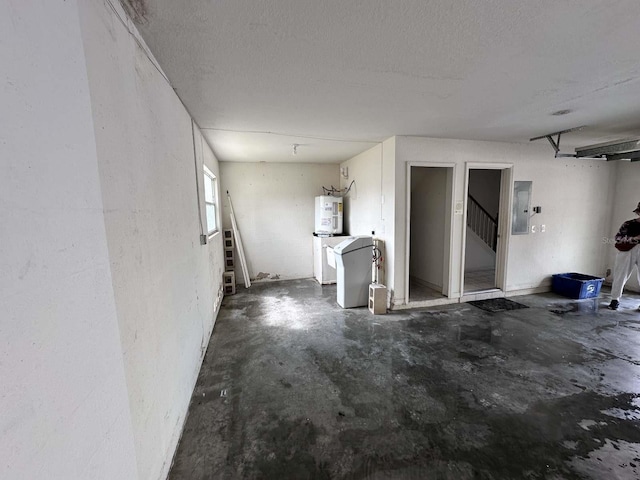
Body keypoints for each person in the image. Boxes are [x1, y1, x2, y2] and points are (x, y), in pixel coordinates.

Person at [608, 202, 640, 310]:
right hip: (628, 250)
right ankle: (615, 299)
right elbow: (618, 238)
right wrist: (634, 238)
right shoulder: (629, 224)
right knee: (620, 274)